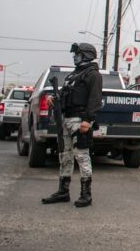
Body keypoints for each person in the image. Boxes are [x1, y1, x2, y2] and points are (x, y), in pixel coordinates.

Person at [42, 42, 102, 208]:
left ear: (87, 55)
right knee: (64, 155)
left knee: (82, 155)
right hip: (65, 120)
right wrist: (53, 99)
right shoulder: (73, 75)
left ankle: (86, 194)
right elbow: (65, 95)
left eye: (78, 53)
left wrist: (88, 120)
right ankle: (63, 191)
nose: (75, 56)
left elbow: (95, 100)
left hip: (79, 120)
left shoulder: (93, 74)